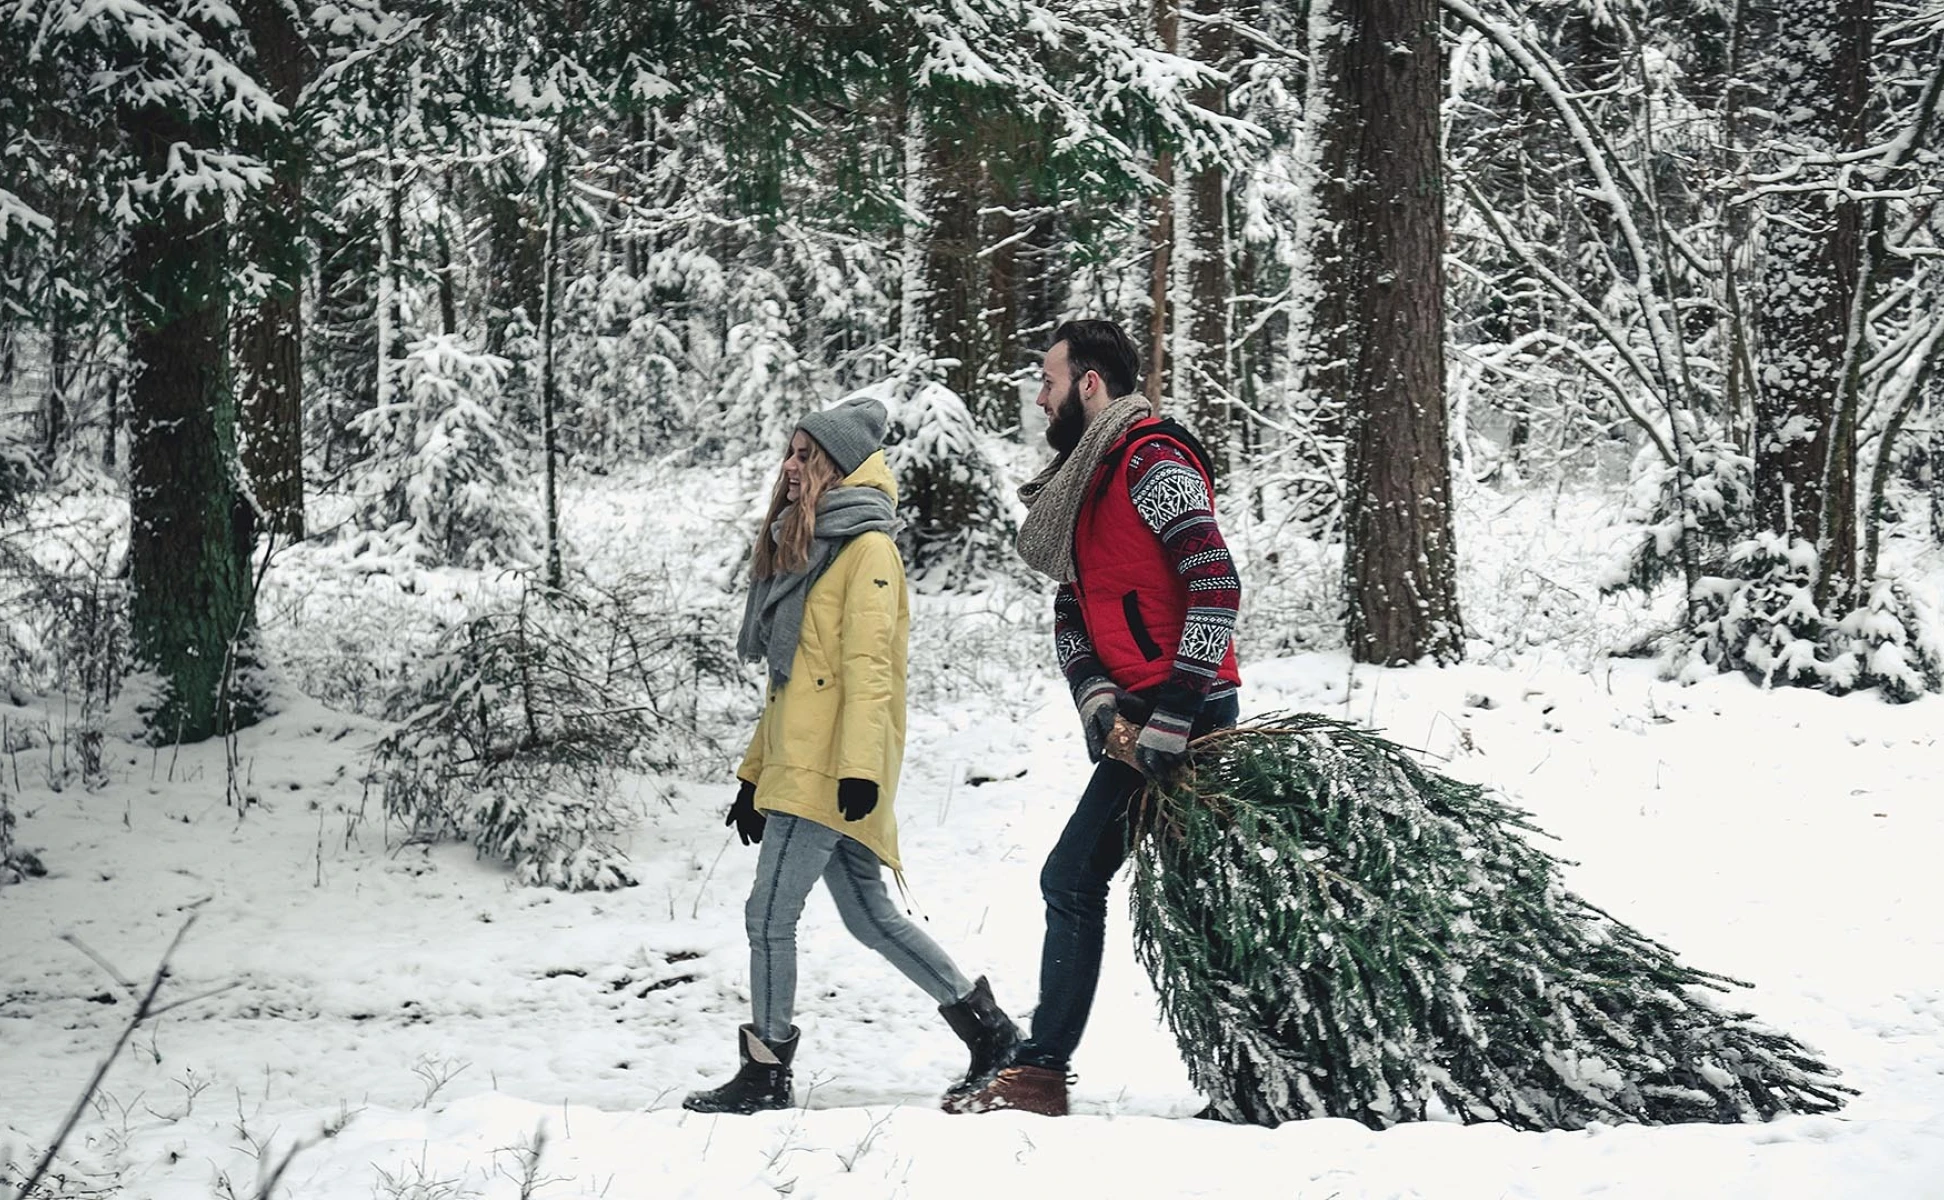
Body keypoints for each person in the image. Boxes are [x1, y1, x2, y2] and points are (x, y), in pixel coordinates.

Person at [684, 395, 1021, 1115]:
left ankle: (765, 1070)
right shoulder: (810, 548)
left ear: (837, 463)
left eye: (806, 455)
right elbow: (793, 684)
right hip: (802, 766)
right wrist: (752, 777)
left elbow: (871, 672)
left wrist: (862, 772)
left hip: (832, 773)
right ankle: (991, 1034)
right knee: (868, 916)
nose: (791, 466)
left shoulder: (868, 551)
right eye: (790, 452)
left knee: (768, 914)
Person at [947, 320, 1242, 1117]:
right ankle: (1240, 1075)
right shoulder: (1086, 479)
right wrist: (1100, 700)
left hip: (1189, 713)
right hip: (1137, 713)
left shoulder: (1150, 459)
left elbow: (1215, 582)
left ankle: (1040, 1073)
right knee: (1179, 892)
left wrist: (1174, 715)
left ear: (1089, 384)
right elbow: (1073, 609)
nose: (1038, 399)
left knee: (1075, 878)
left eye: (1047, 382)